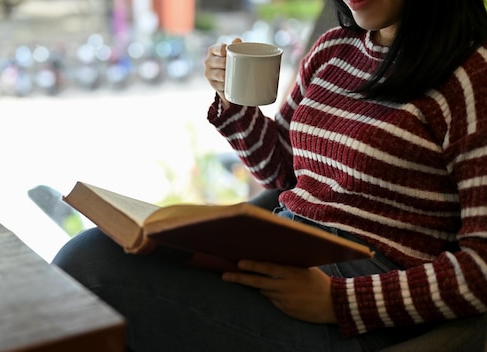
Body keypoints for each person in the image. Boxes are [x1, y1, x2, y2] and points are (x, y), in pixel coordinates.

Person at [52, 0, 487, 350]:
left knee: (91, 269)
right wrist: (235, 104)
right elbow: (283, 169)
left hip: (362, 295)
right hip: (287, 252)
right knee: (101, 250)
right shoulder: (335, 50)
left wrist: (338, 303)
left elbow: (482, 266)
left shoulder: (471, 77)